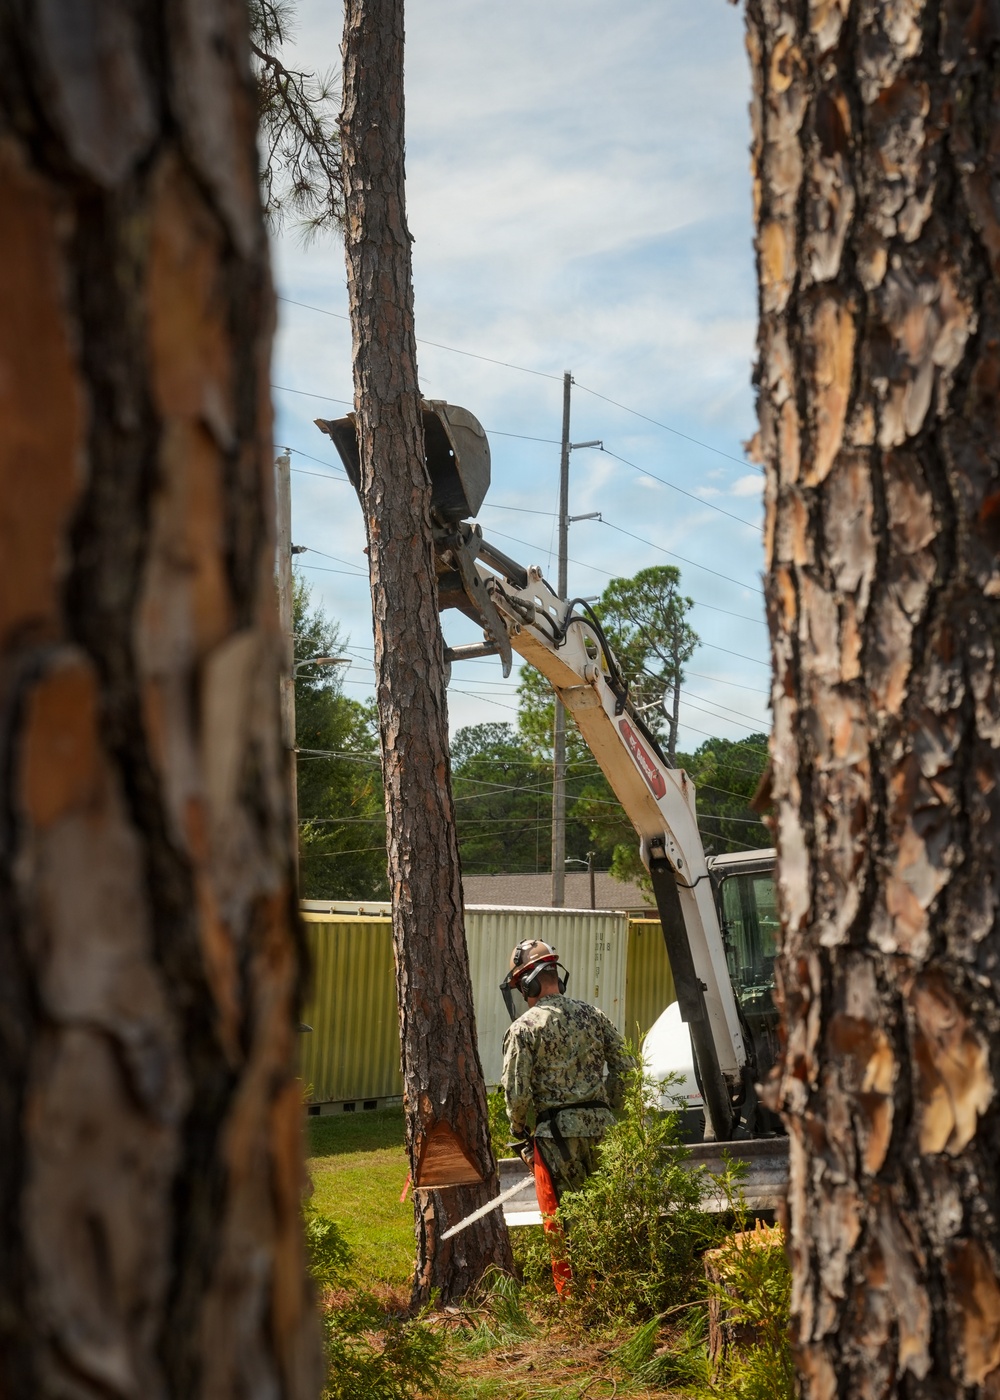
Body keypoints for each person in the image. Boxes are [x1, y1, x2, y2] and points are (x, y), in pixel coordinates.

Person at [500, 939, 632, 1293]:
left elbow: (516, 1094)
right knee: (608, 1214)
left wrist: (519, 1132)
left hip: (557, 1139)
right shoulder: (594, 1015)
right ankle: (617, 1293)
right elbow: (626, 1068)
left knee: (564, 1223)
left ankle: (576, 1303)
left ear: (528, 984)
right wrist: (609, 1109)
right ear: (557, 975)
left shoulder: (524, 1029)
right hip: (605, 1132)